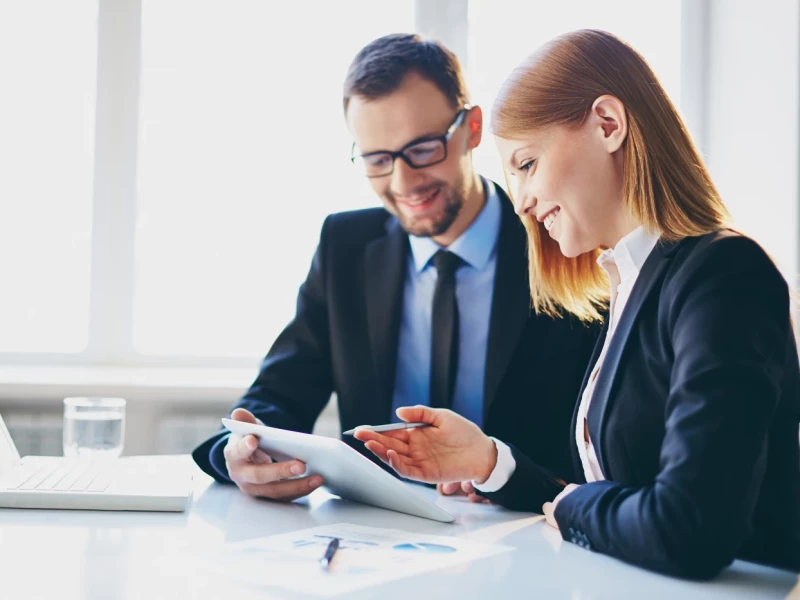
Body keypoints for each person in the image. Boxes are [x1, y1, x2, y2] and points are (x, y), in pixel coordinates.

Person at [355, 29, 800, 579]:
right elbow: (610, 495)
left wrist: (571, 506)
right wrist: (491, 463)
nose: (520, 200)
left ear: (608, 125)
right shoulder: (626, 282)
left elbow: (688, 525)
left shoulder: (724, 275)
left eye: (526, 164)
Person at [192, 33, 598, 504]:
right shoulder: (346, 246)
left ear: (471, 129)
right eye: (378, 160)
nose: (404, 182)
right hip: (378, 530)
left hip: (523, 526)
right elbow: (279, 394)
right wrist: (237, 452)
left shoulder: (558, 239)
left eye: (423, 148)